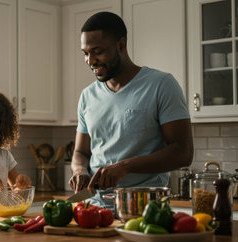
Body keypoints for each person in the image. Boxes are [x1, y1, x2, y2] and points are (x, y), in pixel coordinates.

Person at [69, 12, 194, 210]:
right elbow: (80, 152)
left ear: (121, 44)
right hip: (94, 209)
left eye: (97, 51)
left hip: (146, 209)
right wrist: (79, 170)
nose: (90, 60)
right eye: (85, 53)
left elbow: (183, 152)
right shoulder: (87, 95)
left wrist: (124, 167)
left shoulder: (161, 85)